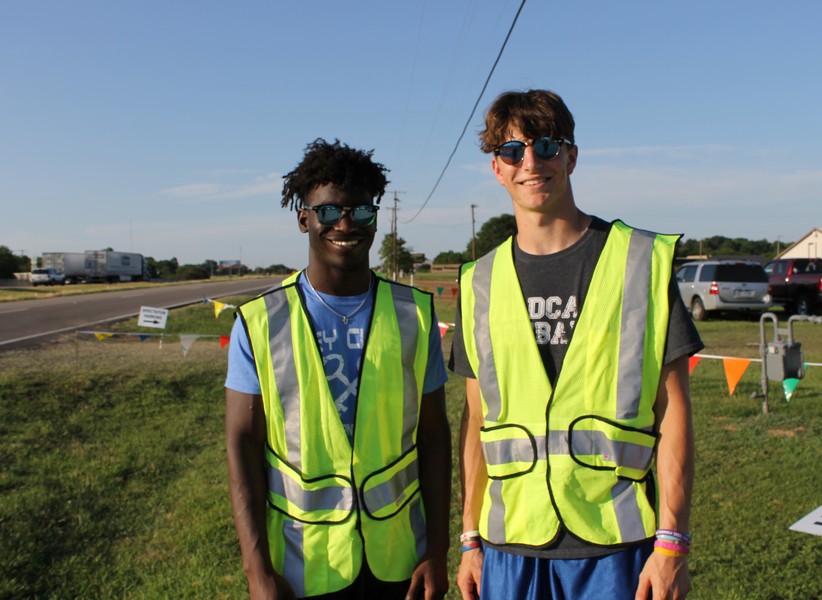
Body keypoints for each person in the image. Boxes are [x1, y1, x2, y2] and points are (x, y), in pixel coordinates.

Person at [450, 90, 703, 599]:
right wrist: (470, 538)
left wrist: (672, 542)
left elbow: (672, 408)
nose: (530, 162)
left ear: (570, 156)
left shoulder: (639, 262)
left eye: (545, 146)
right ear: (497, 169)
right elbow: (476, 421)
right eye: (511, 151)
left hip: (617, 549)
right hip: (509, 550)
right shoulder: (478, 281)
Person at [225, 138, 451, 599]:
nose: (345, 223)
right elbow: (241, 443)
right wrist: (257, 571)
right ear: (303, 218)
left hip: (399, 562)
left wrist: (438, 551)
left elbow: (434, 437)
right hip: (303, 564)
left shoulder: (415, 314)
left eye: (360, 212)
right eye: (328, 212)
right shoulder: (260, 321)